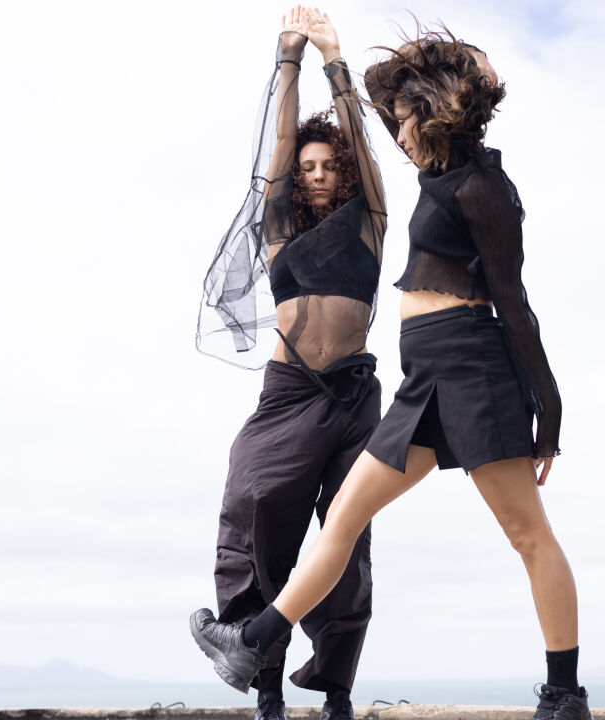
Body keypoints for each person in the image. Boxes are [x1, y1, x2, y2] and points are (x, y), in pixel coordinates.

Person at [192, 19, 590, 720]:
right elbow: (378, 93)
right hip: (421, 381)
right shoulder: (438, 174)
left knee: (528, 534)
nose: (397, 132)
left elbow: (515, 302)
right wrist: (332, 53)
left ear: (436, 116)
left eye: (406, 120)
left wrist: (548, 413)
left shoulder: (482, 189)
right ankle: (252, 644)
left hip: (469, 368)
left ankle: (564, 695)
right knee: (344, 518)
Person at [193, 6, 386, 720]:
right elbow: (279, 144)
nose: (319, 174)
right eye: (308, 168)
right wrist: (290, 59)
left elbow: (362, 145)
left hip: (354, 396)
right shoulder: (276, 223)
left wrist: (336, 61)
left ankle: (336, 692)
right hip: (289, 393)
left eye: (329, 165)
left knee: (347, 538)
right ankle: (264, 682)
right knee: (257, 515)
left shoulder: (369, 221)